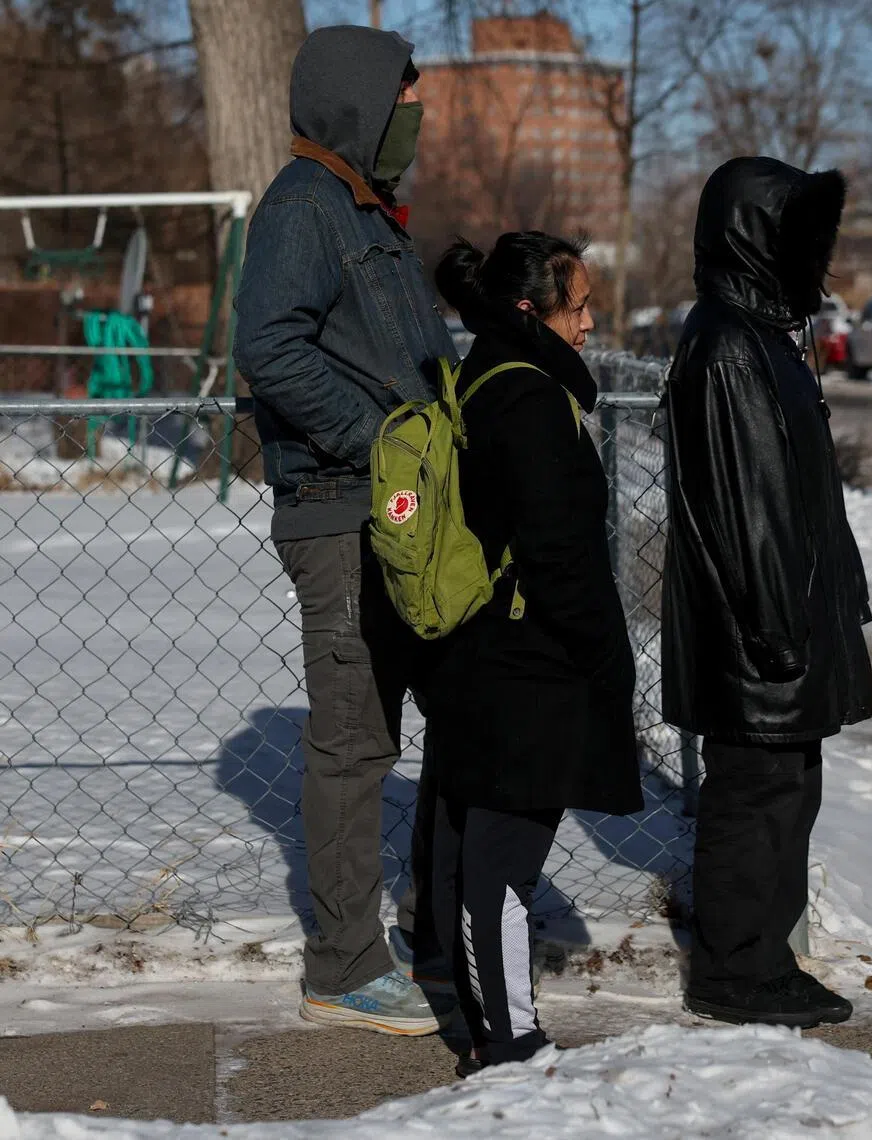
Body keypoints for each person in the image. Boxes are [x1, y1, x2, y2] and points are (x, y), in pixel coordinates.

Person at [232, 25, 457, 1035]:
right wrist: (382, 444)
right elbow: (269, 350)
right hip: (340, 512)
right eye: (405, 98)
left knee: (435, 721)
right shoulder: (302, 209)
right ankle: (344, 962)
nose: (417, 114)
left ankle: (440, 929)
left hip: (404, 520)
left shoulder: (367, 212)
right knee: (355, 743)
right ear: (359, 104)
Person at [661, 156, 872, 1028]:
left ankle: (761, 959)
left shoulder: (758, 338)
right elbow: (751, 512)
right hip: (759, 640)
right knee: (754, 798)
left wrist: (838, 600)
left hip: (785, 632)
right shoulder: (726, 348)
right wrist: (782, 634)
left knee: (786, 793)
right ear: (756, 239)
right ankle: (734, 971)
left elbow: (806, 499)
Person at [425, 232, 644, 1075]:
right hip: (525, 658)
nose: (591, 322)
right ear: (531, 310)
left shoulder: (494, 372)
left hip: (491, 650)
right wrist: (604, 662)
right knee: (502, 863)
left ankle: (491, 1020)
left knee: (478, 843)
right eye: (579, 304)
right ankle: (506, 1041)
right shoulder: (525, 399)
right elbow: (558, 553)